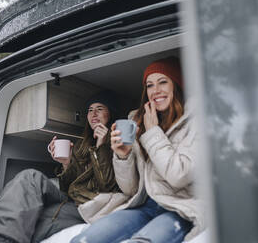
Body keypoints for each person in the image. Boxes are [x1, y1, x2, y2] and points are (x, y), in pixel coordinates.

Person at [71, 57, 205, 243]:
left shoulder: (196, 120)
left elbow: (178, 176)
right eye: (149, 85)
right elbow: (131, 189)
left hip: (179, 207)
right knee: (83, 240)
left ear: (177, 85)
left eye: (163, 82)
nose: (155, 90)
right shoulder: (138, 122)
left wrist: (153, 133)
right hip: (144, 205)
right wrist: (123, 156)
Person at [0, 91, 121, 243]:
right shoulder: (82, 146)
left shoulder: (119, 144)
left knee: (34, 221)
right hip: (71, 199)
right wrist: (66, 162)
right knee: (30, 176)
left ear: (110, 113)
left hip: (92, 205)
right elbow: (67, 187)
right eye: (90, 110)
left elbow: (108, 186)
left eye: (100, 108)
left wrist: (101, 146)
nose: (93, 113)